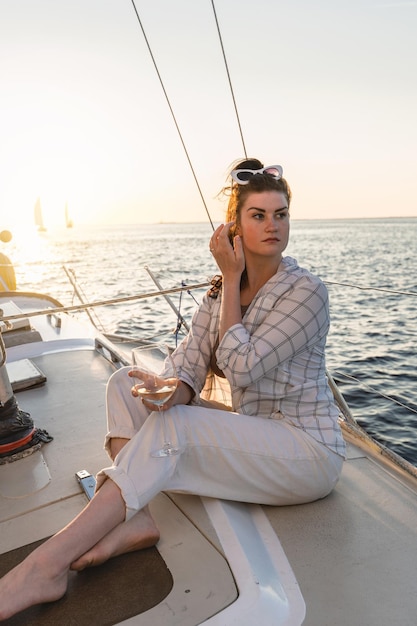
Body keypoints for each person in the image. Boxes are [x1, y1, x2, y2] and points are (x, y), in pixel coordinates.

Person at [0, 158, 346, 620]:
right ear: (234, 227)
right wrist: (171, 389)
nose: (272, 226)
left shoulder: (306, 293)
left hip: (308, 451)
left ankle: (44, 567)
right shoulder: (223, 290)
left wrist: (226, 284)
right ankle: (138, 518)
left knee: (177, 429)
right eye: (258, 215)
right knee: (125, 384)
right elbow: (189, 362)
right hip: (256, 433)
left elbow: (241, 369)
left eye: (280, 214)